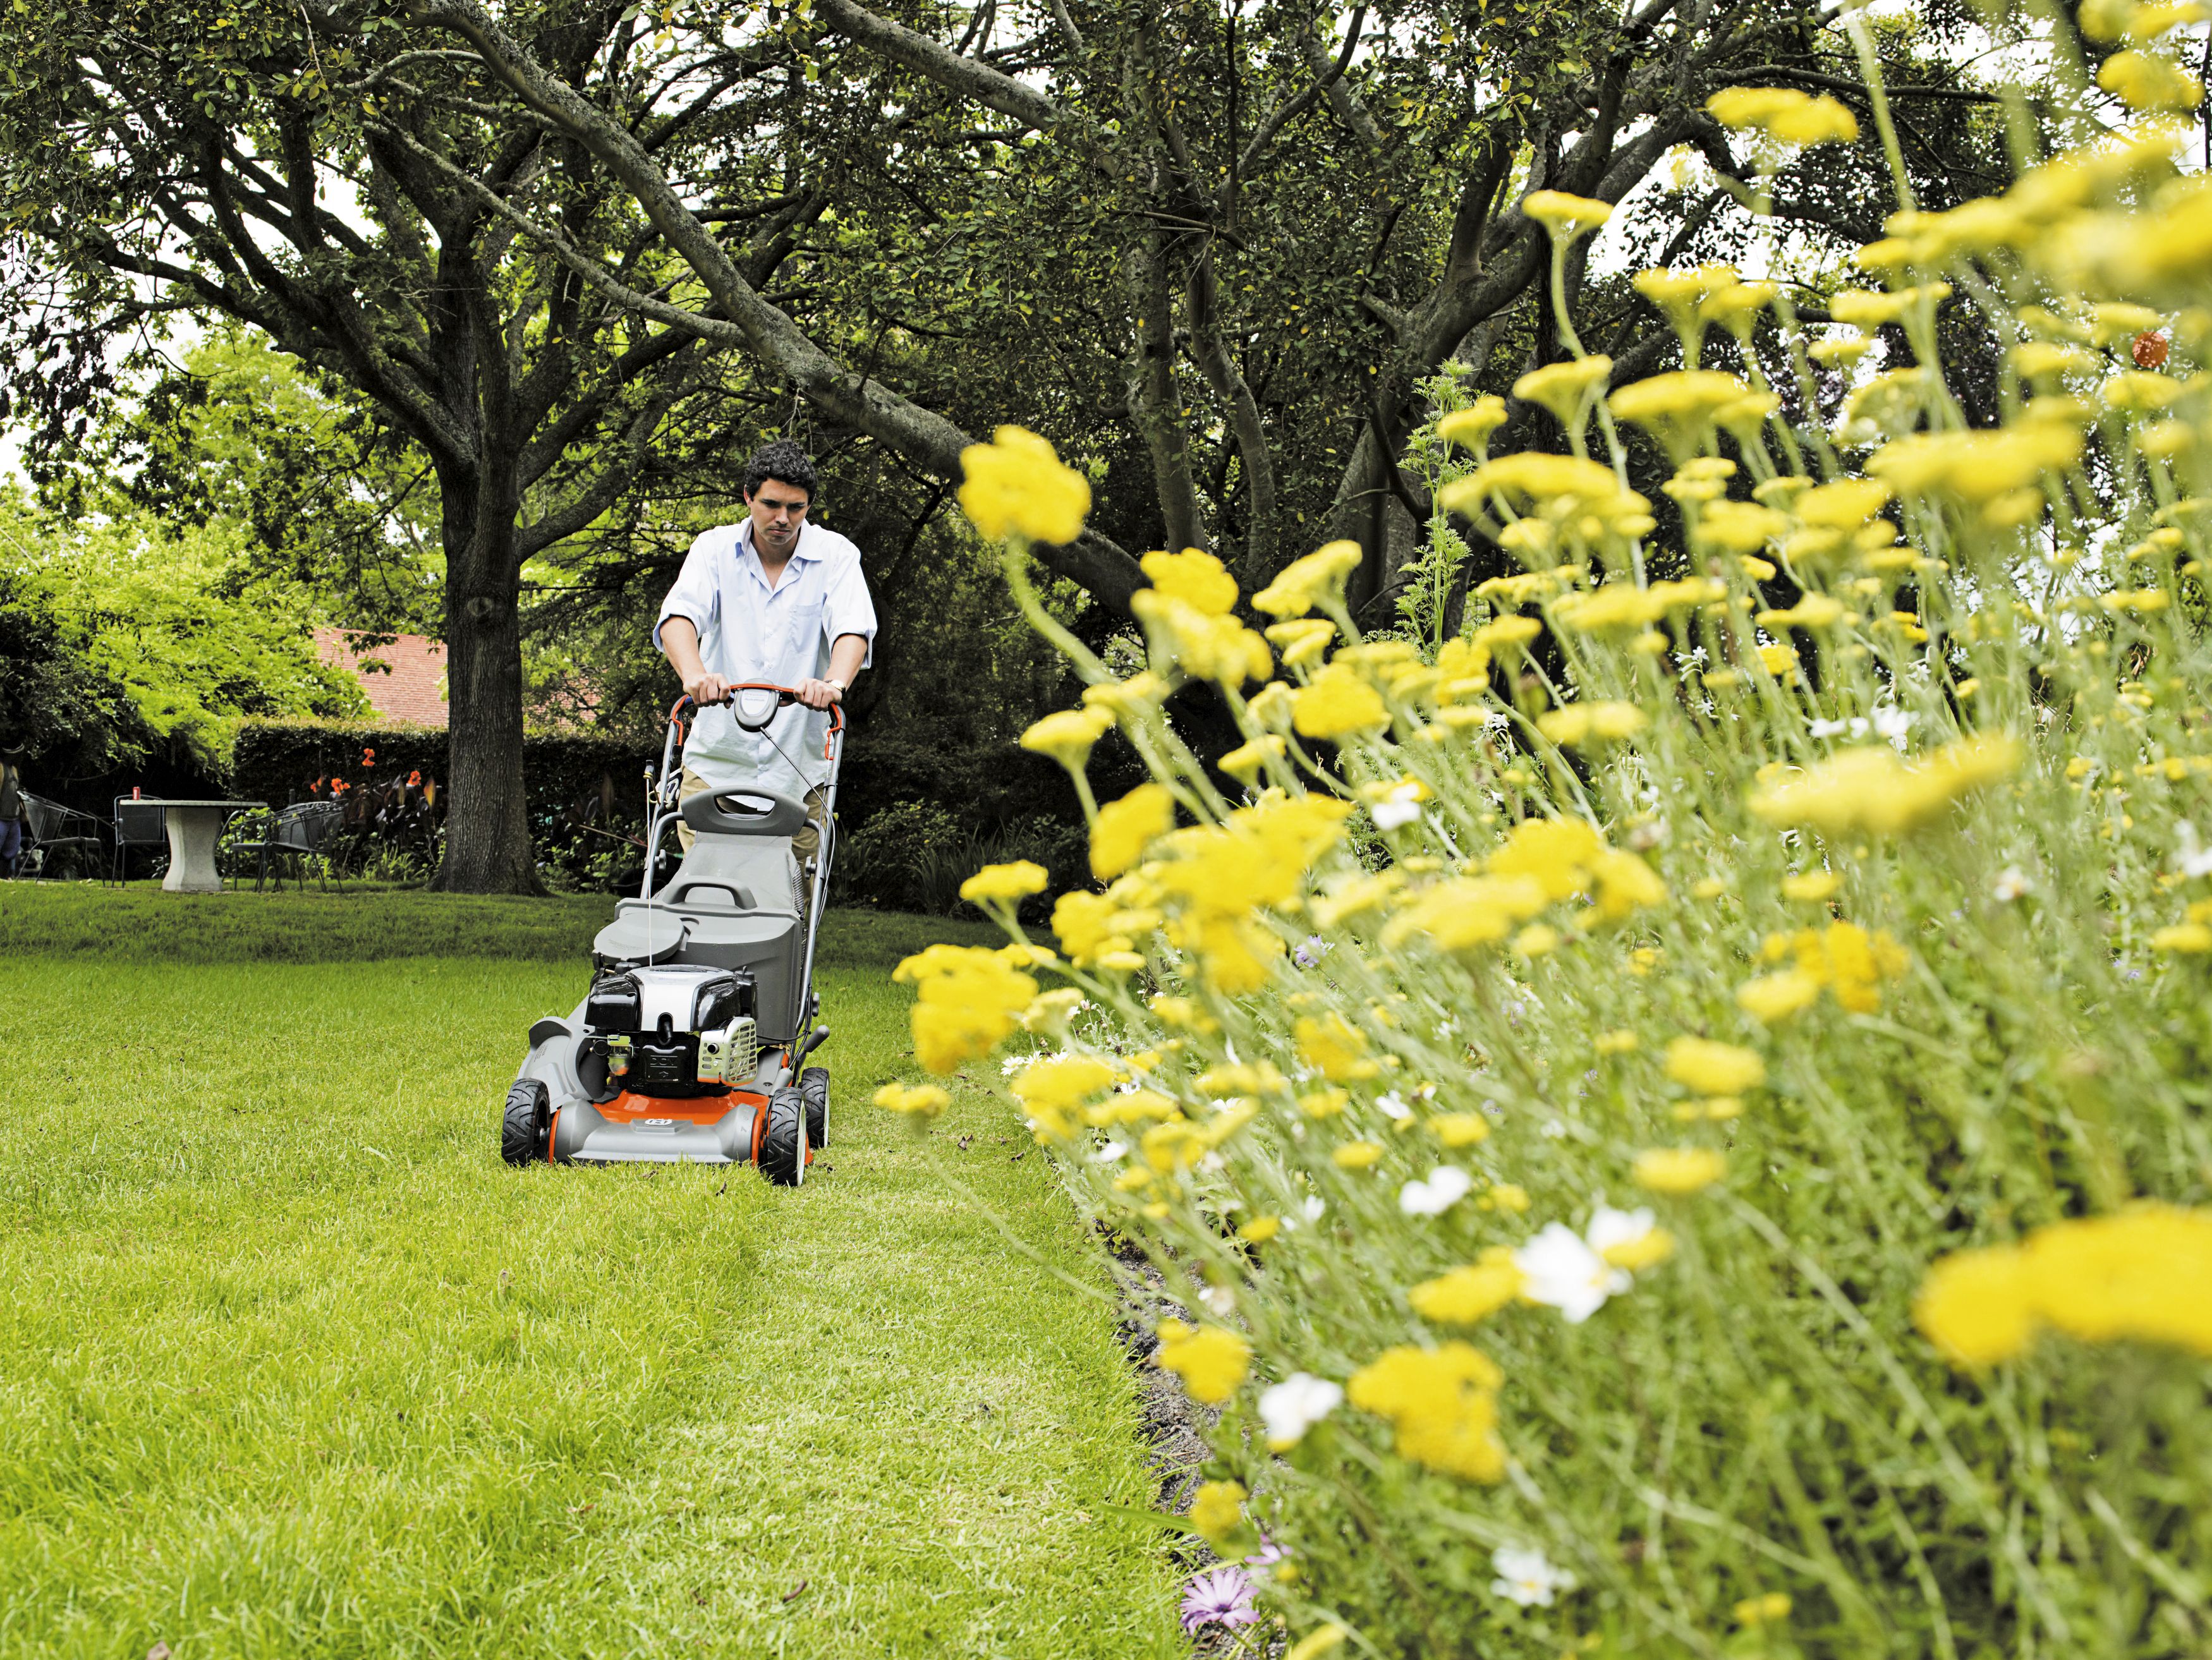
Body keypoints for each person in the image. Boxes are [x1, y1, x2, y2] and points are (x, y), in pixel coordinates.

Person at [653, 440, 876, 876]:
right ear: (747, 497)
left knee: (792, 899)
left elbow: (853, 628)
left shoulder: (837, 556)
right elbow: (678, 617)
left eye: (796, 508)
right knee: (705, 890)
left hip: (800, 768)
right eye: (771, 504)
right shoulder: (713, 550)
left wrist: (833, 683)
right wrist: (695, 675)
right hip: (716, 763)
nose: (783, 519)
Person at [0, 747, 25, 879]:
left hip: (13, 818)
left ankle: (3, 877)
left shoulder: (14, 770)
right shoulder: (1, 768)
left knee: (11, 850)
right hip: (1, 817)